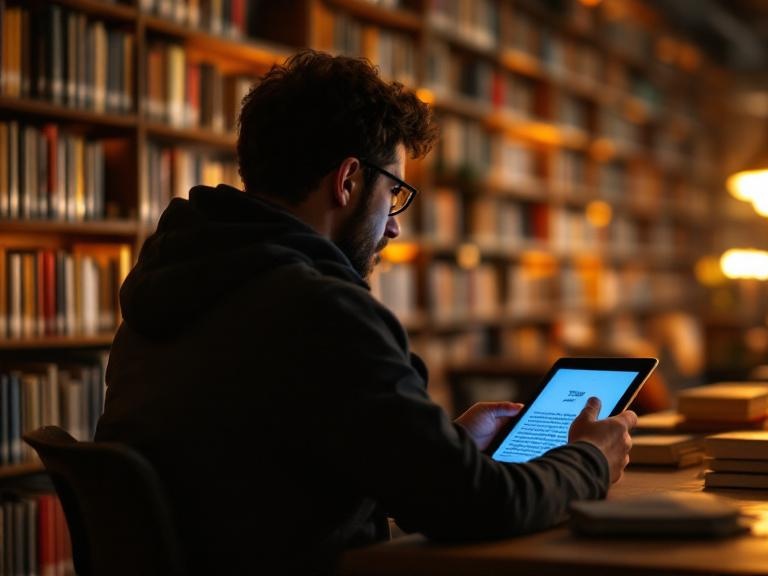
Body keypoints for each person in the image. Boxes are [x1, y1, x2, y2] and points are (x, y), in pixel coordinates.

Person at [95, 51, 636, 575]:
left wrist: (440, 447)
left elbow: (272, 467)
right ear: (348, 180)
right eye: (394, 192)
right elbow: (480, 507)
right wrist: (590, 458)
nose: (395, 226)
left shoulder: (169, 290)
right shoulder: (320, 311)